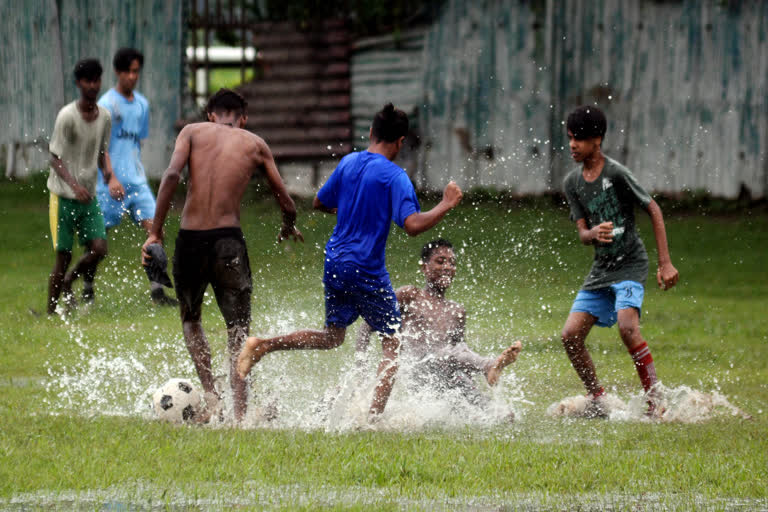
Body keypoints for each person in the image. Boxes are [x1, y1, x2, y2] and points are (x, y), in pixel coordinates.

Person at [237, 103, 463, 420]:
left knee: (333, 337)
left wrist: (352, 210)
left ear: (370, 133)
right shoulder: (395, 176)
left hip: (335, 260)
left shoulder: (349, 162)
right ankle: (371, 421)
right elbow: (412, 226)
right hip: (366, 266)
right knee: (392, 341)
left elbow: (319, 202)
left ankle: (263, 344)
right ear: (400, 142)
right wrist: (446, 204)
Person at [141, 89, 302, 423]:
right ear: (243, 118)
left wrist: (156, 232)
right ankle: (240, 415)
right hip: (228, 242)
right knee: (239, 330)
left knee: (191, 319)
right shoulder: (254, 143)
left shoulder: (192, 132)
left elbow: (171, 175)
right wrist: (288, 224)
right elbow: (287, 202)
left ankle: (212, 397)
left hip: (189, 240)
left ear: (210, 115)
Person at [560, 105, 679, 417]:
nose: (573, 145)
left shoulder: (617, 174)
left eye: (580, 139)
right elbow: (582, 233)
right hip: (602, 270)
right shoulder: (572, 183)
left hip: (630, 264)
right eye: (570, 138)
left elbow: (654, 209)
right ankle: (598, 397)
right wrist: (592, 234)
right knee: (570, 336)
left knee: (627, 328)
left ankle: (655, 401)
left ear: (597, 140)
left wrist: (665, 263)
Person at [355, 239, 522, 408]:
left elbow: (461, 350)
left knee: (493, 411)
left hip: (445, 375)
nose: (447, 267)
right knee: (446, 354)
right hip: (418, 371)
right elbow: (366, 327)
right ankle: (488, 365)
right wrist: (361, 366)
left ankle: (489, 377)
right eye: (440, 261)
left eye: (452, 263)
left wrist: (468, 382)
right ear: (425, 267)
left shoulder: (457, 311)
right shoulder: (411, 295)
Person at [89, 47, 177, 306]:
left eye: (136, 71)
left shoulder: (142, 105)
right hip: (109, 182)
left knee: (155, 230)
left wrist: (132, 172)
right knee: (98, 240)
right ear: (117, 72)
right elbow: (100, 145)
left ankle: (158, 291)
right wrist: (111, 177)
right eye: (127, 71)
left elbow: (135, 142)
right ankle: (87, 289)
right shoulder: (106, 104)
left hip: (136, 181)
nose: (132, 76)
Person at [47, 58, 124, 315]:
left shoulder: (104, 116)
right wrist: (73, 185)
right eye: (88, 81)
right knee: (64, 256)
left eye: (97, 80)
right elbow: (54, 158)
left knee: (100, 248)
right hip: (64, 196)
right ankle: (50, 312)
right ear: (79, 83)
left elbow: (102, 153)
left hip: (88, 197)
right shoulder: (67, 116)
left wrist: (110, 177)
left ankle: (70, 281)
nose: (93, 85)